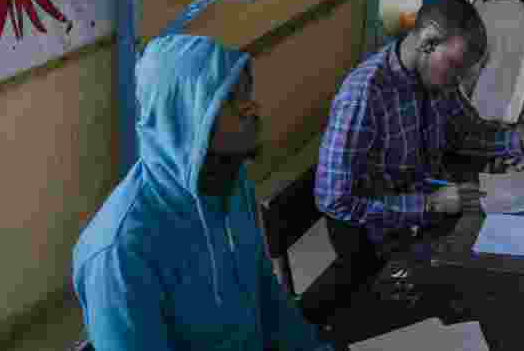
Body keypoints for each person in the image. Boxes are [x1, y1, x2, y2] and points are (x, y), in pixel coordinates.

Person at [304, 0, 524, 325]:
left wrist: (522, 140)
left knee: (522, 255)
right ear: (427, 44)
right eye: (455, 68)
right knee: (500, 290)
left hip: (427, 212)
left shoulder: (438, 79)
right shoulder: (364, 95)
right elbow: (333, 198)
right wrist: (429, 204)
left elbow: (464, 132)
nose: (458, 81)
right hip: (376, 239)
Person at [72, 34, 331, 351]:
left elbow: (266, 296)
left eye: (246, 92)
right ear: (184, 117)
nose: (252, 107)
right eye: (229, 100)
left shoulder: (233, 187)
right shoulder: (120, 253)